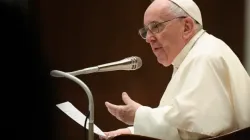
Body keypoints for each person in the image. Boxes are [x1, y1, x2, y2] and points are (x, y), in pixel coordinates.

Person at [100, 0, 250, 139]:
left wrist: (139, 116)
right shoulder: (192, 56)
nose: (148, 38)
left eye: (156, 27)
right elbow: (180, 125)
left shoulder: (205, 56)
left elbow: (195, 130)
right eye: (146, 31)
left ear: (187, 27)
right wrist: (131, 131)